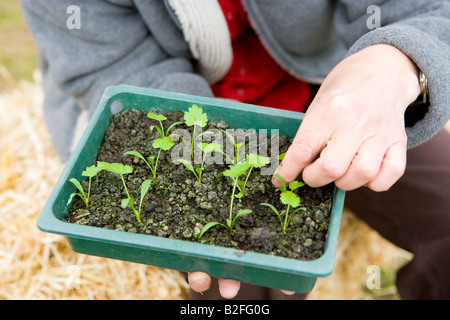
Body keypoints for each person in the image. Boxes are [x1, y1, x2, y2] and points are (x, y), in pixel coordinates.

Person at [20, 0, 450, 300]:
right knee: (239, 291)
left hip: (336, 94)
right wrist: (209, 157)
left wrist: (394, 62)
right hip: (190, 117)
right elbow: (118, 70)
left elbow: (422, 8)